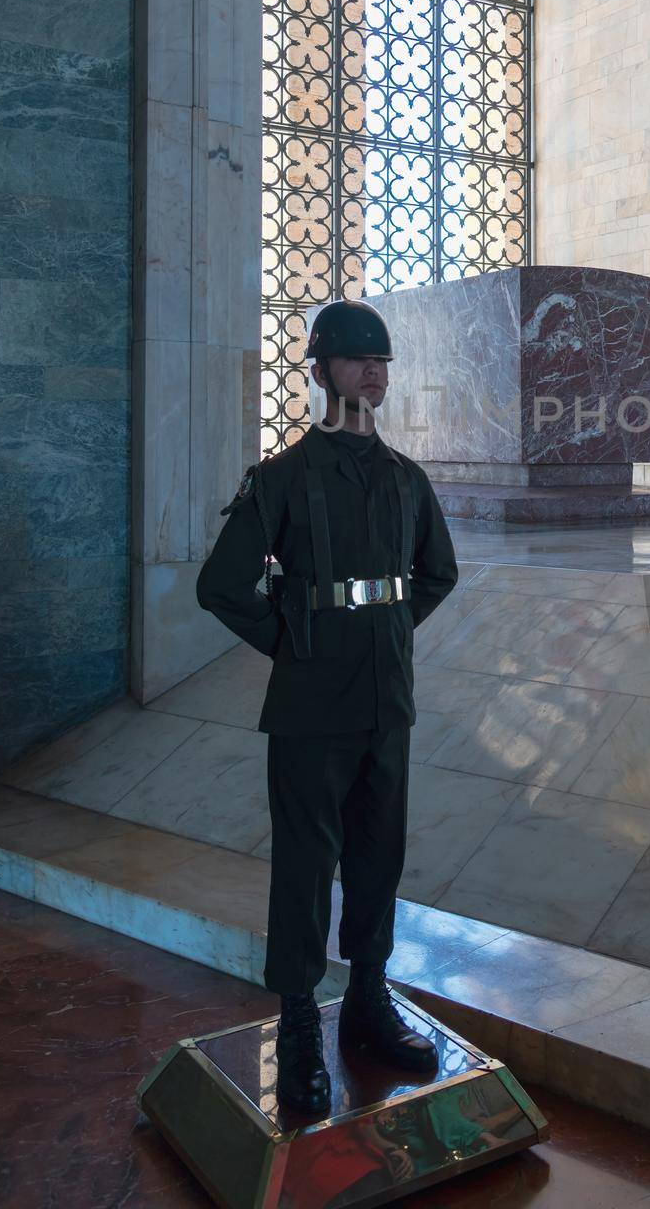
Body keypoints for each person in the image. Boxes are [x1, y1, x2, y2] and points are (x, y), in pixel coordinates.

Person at [195, 297, 459, 1114]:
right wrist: (299, 643)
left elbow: (436, 575)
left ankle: (370, 1002)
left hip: (386, 702)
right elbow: (220, 586)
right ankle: (302, 1019)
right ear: (320, 371)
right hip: (311, 708)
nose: (372, 371)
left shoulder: (407, 480)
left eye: (381, 361)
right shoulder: (279, 479)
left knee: (379, 857)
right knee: (307, 868)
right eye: (355, 358)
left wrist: (378, 635)